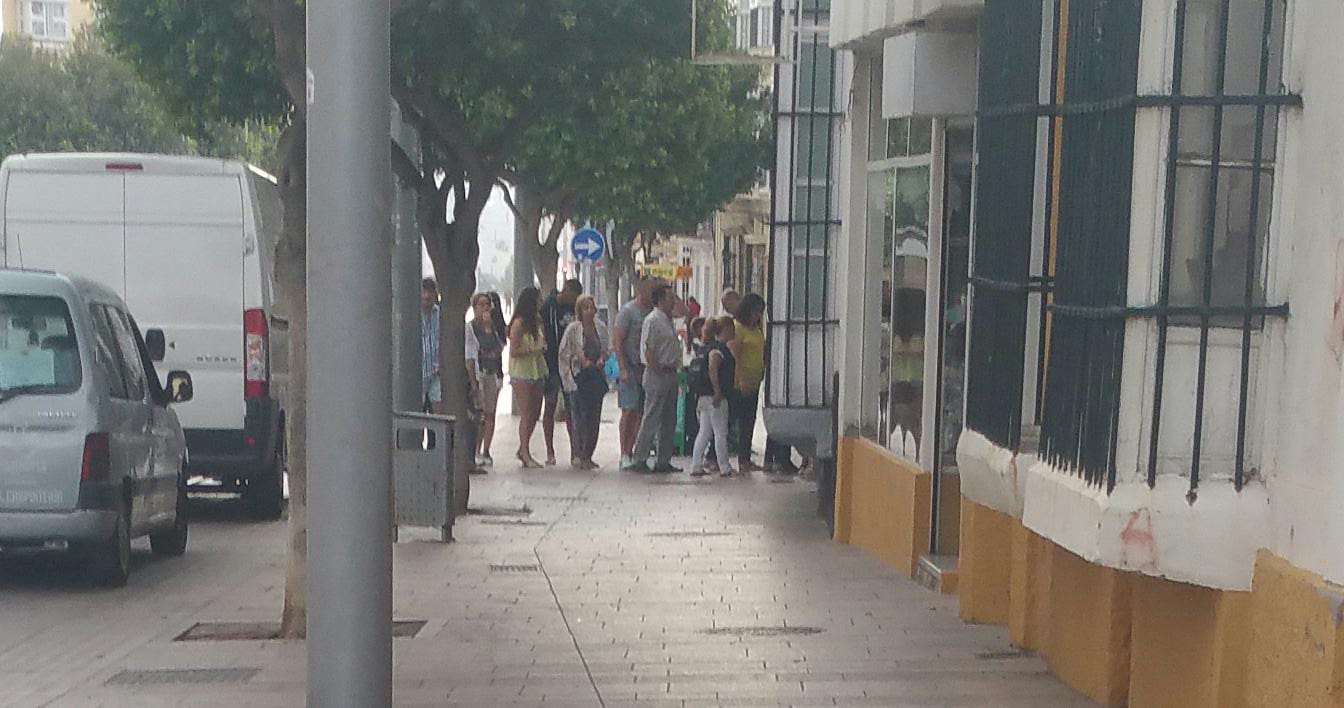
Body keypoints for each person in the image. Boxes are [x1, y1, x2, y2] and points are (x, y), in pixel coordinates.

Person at [629, 285, 683, 474]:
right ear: (660, 301)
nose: (673, 301)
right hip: (657, 374)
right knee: (651, 416)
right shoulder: (653, 320)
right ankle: (640, 457)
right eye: (669, 298)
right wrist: (657, 369)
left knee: (669, 419)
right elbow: (649, 349)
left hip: (670, 372)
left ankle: (663, 459)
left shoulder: (668, 320)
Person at [558, 294, 610, 469]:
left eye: (591, 307)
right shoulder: (573, 329)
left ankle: (588, 454)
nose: (589, 311)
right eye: (585, 308)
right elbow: (565, 352)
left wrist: (602, 358)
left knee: (594, 417)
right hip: (578, 377)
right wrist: (579, 360)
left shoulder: (600, 328)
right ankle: (578, 453)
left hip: (595, 376)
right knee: (579, 417)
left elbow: (606, 348)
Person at [614, 277, 655, 469]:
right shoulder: (628, 312)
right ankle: (624, 453)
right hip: (630, 368)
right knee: (629, 410)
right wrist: (622, 367)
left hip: (646, 369)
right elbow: (618, 340)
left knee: (641, 412)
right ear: (641, 291)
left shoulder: (653, 312)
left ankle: (635, 451)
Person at [540, 279, 582, 466]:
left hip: (569, 364)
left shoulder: (574, 309)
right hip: (551, 364)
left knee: (572, 408)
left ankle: (576, 451)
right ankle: (550, 451)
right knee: (549, 406)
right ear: (565, 292)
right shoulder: (549, 307)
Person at [690, 317, 737, 478]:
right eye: (732, 328)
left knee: (704, 432)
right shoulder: (719, 349)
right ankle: (724, 466)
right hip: (715, 397)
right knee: (720, 432)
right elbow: (713, 366)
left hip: (702, 396)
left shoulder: (704, 348)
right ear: (725, 329)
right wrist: (717, 390)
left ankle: (696, 464)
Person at [508, 286, 547, 468]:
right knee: (526, 412)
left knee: (535, 412)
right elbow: (514, 351)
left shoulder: (537, 321)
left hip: (537, 369)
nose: (540, 303)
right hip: (522, 372)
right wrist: (533, 349)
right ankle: (525, 451)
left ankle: (523, 446)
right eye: (538, 299)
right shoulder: (519, 323)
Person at [729, 293, 766, 472]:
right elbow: (735, 355)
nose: (758, 316)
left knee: (748, 422)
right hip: (740, 384)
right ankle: (714, 455)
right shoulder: (738, 329)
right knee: (731, 419)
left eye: (760, 312)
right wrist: (741, 378)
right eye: (755, 312)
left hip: (755, 383)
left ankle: (744, 459)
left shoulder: (757, 330)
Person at [467, 293, 505, 467]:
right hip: (479, 373)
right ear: (474, 308)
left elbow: (500, 346)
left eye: (487, 304)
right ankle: (475, 449)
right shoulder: (471, 328)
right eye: (481, 305)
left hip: (493, 373)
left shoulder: (493, 328)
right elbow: (474, 352)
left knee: (490, 413)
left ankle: (486, 450)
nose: (485, 308)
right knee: (480, 414)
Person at [420, 278, 443, 414]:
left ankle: (437, 436)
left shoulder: (440, 315)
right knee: (417, 415)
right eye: (423, 292)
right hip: (417, 374)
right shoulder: (410, 315)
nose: (427, 296)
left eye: (430, 292)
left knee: (438, 414)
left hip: (436, 373)